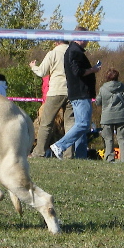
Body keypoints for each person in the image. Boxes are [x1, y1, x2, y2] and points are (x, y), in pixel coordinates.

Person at [50, 27, 101, 160]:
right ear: (81, 37)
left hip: (78, 93)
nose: (88, 42)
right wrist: (93, 69)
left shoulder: (72, 51)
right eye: (87, 38)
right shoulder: (74, 52)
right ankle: (59, 146)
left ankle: (81, 156)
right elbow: (78, 72)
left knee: (82, 128)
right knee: (83, 124)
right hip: (81, 93)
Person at [29, 40, 75, 158]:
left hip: (56, 91)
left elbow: (42, 72)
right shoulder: (74, 53)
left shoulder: (53, 53)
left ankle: (39, 152)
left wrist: (34, 67)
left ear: (56, 42)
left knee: (46, 123)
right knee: (69, 124)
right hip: (72, 92)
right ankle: (68, 155)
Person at [95, 68, 124, 163]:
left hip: (107, 117)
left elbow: (97, 102)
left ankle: (109, 159)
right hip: (121, 116)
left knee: (108, 139)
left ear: (106, 77)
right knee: (123, 140)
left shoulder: (103, 89)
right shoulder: (123, 87)